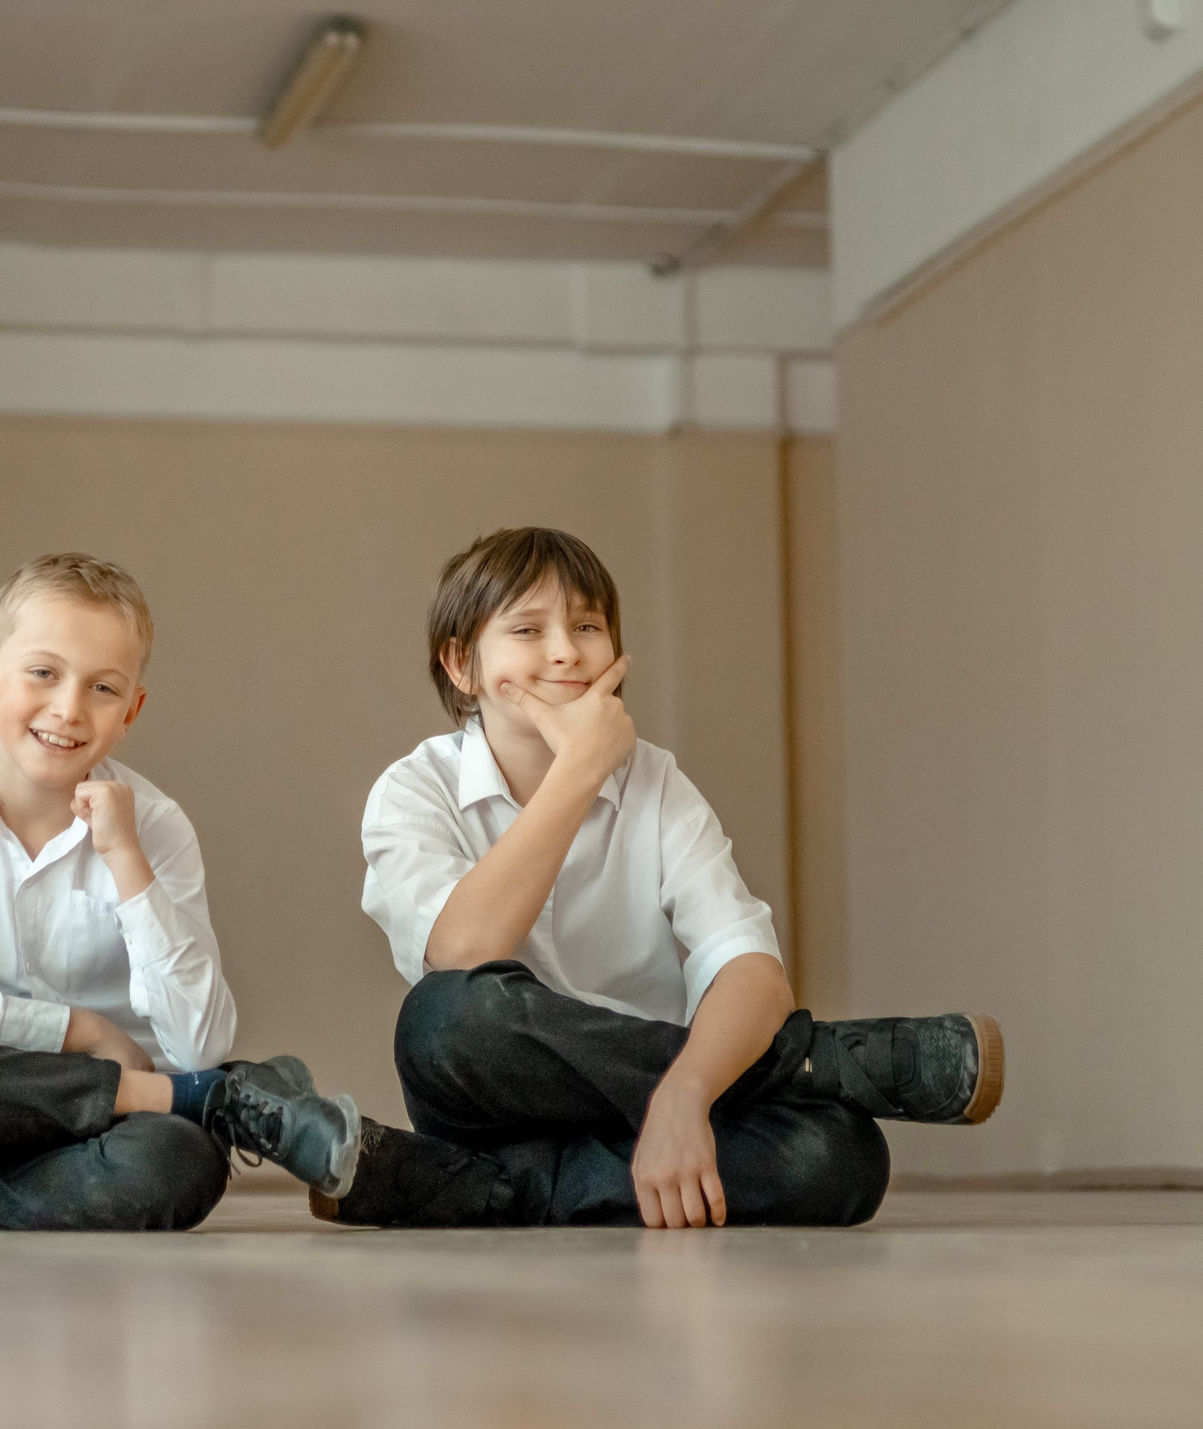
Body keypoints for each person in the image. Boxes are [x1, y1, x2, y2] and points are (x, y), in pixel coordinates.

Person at [326, 526, 1002, 1230]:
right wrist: (581, 768)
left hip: (661, 1100)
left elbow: (752, 971)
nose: (565, 650)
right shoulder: (411, 791)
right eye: (527, 628)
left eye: (587, 624)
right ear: (461, 662)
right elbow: (464, 948)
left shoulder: (658, 784)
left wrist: (683, 1095)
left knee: (841, 1156)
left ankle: (487, 1189)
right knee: (441, 1020)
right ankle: (813, 1061)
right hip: (488, 1102)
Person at [0, 552, 360, 1231]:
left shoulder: (157, 827)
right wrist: (81, 1030)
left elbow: (199, 1039)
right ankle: (208, 1100)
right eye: (43, 673)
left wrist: (124, 855)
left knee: (177, 1167)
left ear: (131, 709)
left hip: (110, 1132)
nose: (69, 708)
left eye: (103, 688)